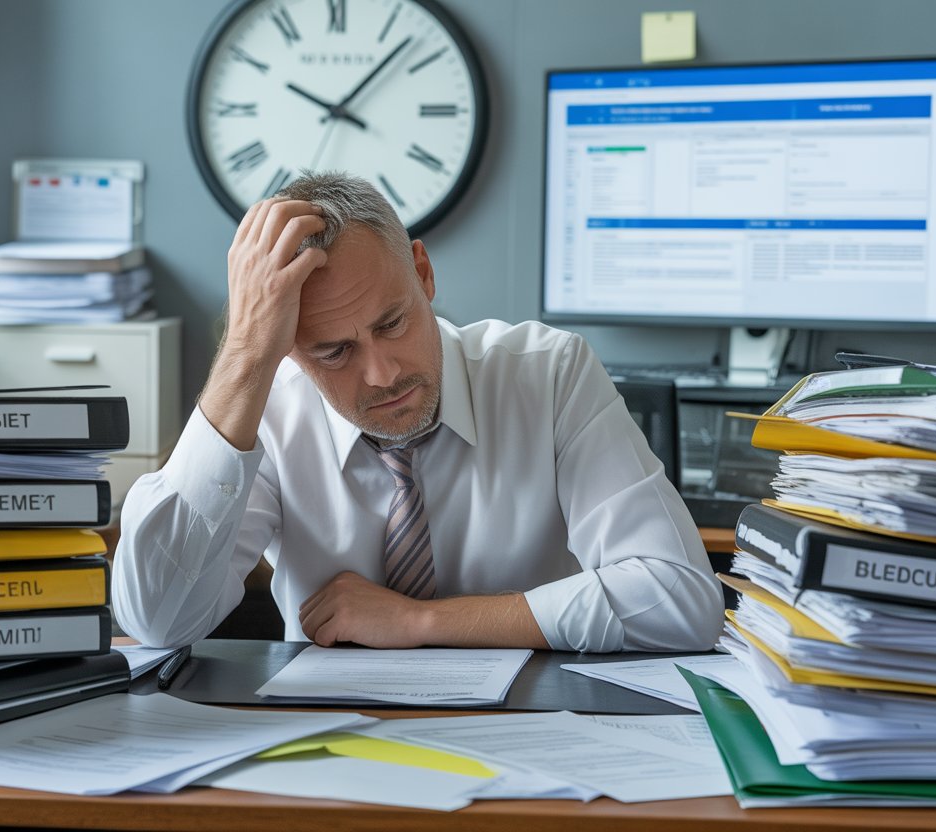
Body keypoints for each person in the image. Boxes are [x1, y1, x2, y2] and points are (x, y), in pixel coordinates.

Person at [112, 172, 723, 652]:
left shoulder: (549, 374)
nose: (383, 375)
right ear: (291, 348)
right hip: (330, 742)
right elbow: (158, 621)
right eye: (335, 351)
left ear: (424, 274)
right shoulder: (268, 410)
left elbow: (682, 599)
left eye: (392, 323)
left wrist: (419, 621)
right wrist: (245, 355)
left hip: (536, 730)